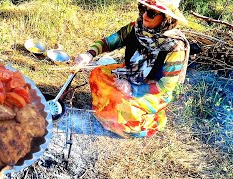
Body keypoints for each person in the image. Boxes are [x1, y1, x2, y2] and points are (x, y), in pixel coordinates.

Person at [74, 0, 190, 138]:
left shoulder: (175, 47)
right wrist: (88, 54)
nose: (145, 15)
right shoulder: (135, 28)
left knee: (123, 104)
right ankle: (108, 112)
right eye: (143, 9)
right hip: (129, 72)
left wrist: (133, 89)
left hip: (151, 89)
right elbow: (109, 42)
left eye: (152, 12)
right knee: (97, 74)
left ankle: (141, 122)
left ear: (166, 19)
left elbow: (166, 86)